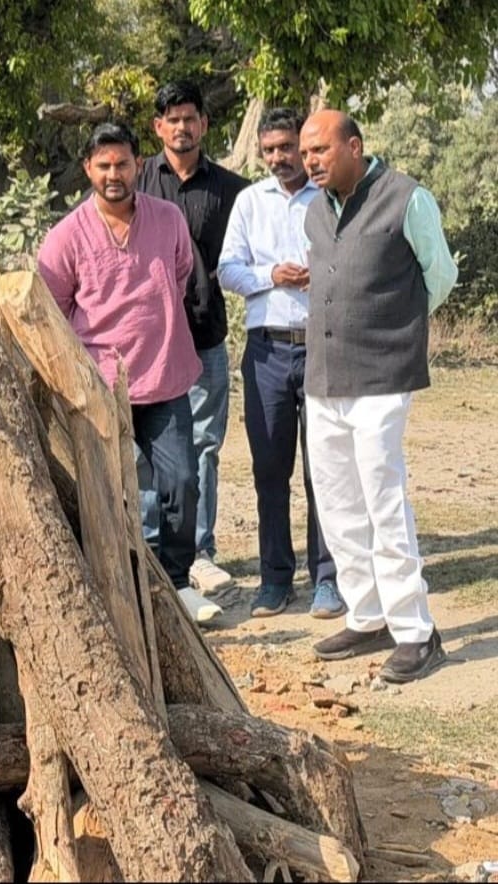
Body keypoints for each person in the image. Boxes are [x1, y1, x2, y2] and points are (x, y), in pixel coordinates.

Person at [299, 109, 457, 683]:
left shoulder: (407, 198)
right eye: (305, 152)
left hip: (383, 376)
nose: (309, 160)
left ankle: (416, 631)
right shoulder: (316, 210)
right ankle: (367, 615)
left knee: (382, 499)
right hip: (324, 378)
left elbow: (439, 278)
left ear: (355, 146)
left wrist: (395, 327)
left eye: (319, 150)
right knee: (338, 503)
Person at [38, 122, 218, 623]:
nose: (114, 174)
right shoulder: (66, 236)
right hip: (99, 389)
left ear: (139, 164)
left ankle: (178, 582)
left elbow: (181, 274)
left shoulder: (168, 219)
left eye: (122, 163)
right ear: (87, 171)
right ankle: (119, 588)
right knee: (109, 492)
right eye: (103, 166)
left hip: (165, 376)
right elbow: (49, 308)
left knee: (181, 481)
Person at [219, 108, 343, 619]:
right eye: (269, 150)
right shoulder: (250, 202)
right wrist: (273, 274)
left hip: (322, 346)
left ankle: (328, 579)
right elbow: (227, 268)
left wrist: (323, 275)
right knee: (270, 469)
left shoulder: (331, 198)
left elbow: (354, 261)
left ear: (304, 147)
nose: (278, 158)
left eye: (286, 148)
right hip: (267, 349)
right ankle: (274, 580)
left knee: (325, 468)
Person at [137, 80, 248, 597]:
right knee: (146, 448)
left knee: (202, 443)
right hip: (145, 343)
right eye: (171, 118)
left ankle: (200, 549)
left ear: (204, 124)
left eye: (189, 117)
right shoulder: (133, 181)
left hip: (203, 336)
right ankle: (150, 549)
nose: (181, 127)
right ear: (158, 127)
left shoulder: (231, 189)